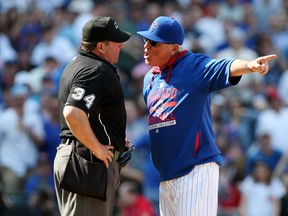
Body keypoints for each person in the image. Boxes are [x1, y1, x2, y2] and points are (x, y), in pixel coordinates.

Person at [136, 16, 277, 216]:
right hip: (166, 172)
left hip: (195, 168)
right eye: (146, 40)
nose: (146, 46)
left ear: (174, 48)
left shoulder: (192, 65)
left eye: (154, 42)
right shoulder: (149, 78)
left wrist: (249, 66)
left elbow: (224, 66)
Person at [53, 16, 132, 216]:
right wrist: (97, 147)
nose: (121, 46)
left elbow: (90, 114)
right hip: (86, 162)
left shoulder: (79, 63)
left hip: (78, 158)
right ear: (101, 46)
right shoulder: (95, 70)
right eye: (116, 42)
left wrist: (113, 137)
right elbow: (73, 112)